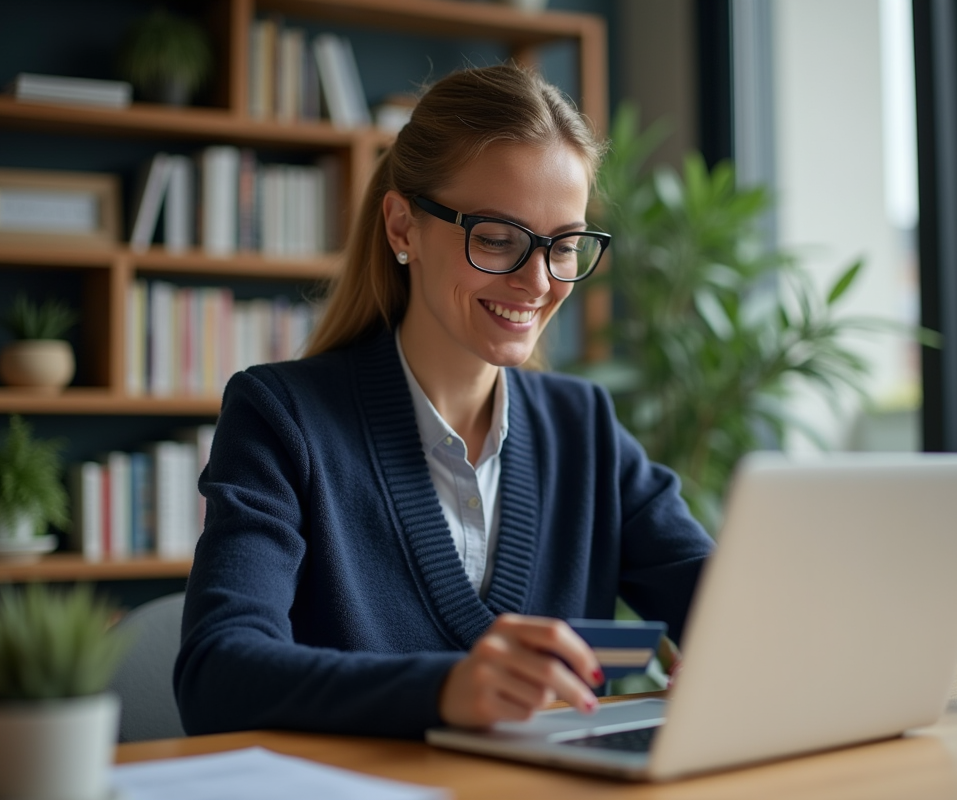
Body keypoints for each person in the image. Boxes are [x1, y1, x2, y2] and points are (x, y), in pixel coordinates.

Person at [173, 63, 715, 740]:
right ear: (403, 227)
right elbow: (216, 676)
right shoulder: (281, 418)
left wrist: (745, 655)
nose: (538, 282)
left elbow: (730, 606)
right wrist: (445, 689)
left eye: (565, 246)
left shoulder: (584, 427)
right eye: (497, 239)